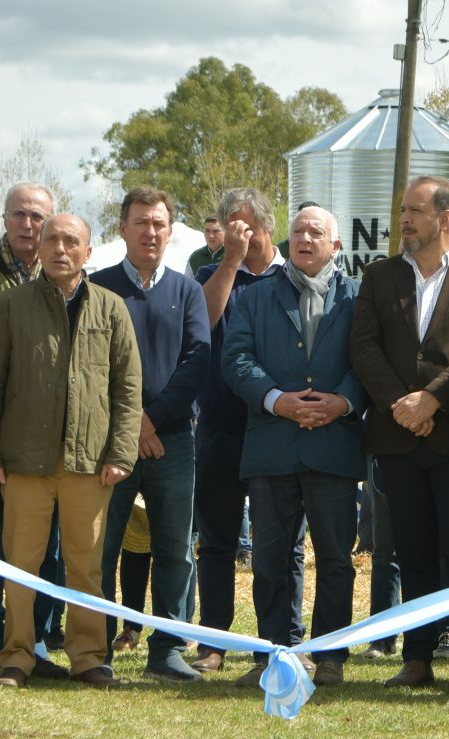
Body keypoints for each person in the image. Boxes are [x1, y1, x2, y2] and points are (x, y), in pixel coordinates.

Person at [0, 213, 142, 687]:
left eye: (71, 241)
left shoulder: (111, 308)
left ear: (89, 252)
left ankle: (89, 657)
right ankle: (16, 658)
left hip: (89, 465)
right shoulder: (11, 306)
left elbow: (128, 388)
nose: (60, 249)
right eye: (52, 240)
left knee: (85, 567)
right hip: (24, 463)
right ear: (40, 247)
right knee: (19, 566)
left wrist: (121, 453)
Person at [349, 175, 449, 689]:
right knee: (410, 550)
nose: (404, 220)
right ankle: (417, 657)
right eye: (402, 210)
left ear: (445, 218)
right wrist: (399, 404)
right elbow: (363, 348)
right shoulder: (379, 275)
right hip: (397, 439)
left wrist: (434, 399)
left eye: (415, 210)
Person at [221, 203, 364, 686]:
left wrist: (343, 403)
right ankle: (272, 655)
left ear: (336, 246)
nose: (304, 239)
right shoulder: (257, 296)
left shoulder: (359, 297)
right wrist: (276, 400)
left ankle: (329, 655)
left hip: (334, 445)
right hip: (272, 446)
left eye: (316, 232)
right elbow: (235, 358)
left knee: (336, 557)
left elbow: (370, 362)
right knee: (270, 558)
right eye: (298, 231)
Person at [91, 186, 211, 682]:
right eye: (141, 222)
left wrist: (153, 420)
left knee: (175, 548)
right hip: (107, 443)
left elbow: (197, 360)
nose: (150, 231)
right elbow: (90, 367)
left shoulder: (188, 291)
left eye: (159, 223)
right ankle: (94, 648)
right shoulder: (96, 288)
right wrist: (131, 424)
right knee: (102, 546)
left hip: (174, 441)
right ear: (122, 228)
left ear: (170, 230)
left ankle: (166, 648)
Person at [0, 182, 65, 677]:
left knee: (45, 550)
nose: (29, 224)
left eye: (38, 217)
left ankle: (36, 643)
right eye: (19, 215)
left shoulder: (66, 277)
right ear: (4, 219)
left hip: (46, 445)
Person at [192, 187, 280, 666]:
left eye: (246, 226)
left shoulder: (293, 275)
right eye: (231, 227)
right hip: (221, 428)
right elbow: (201, 323)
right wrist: (231, 262)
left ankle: (276, 642)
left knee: (276, 544)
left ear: (266, 226)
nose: (240, 235)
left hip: (277, 428)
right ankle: (213, 642)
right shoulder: (211, 273)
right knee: (217, 542)